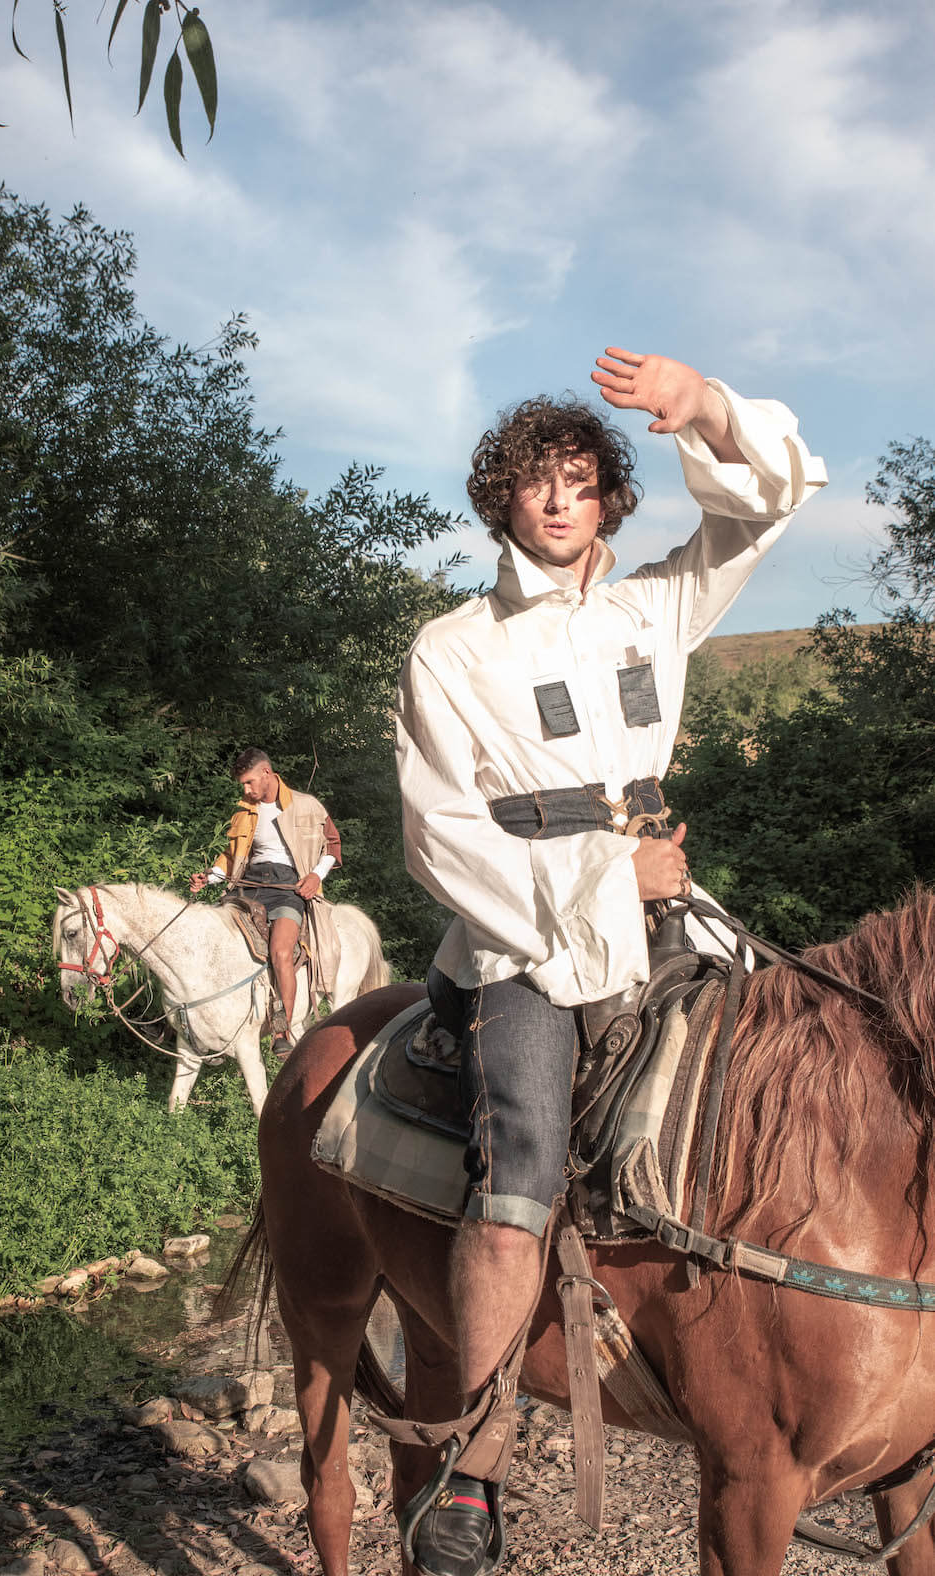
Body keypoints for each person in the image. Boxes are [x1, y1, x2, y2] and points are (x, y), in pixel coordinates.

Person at [394, 346, 826, 1576]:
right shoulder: (451, 648)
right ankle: (475, 1463)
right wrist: (600, 884)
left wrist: (708, 408)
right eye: (538, 479)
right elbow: (438, 834)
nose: (560, 497)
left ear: (609, 500)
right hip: (527, 937)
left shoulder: (652, 609)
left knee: (788, 1088)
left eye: (581, 479)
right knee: (519, 1171)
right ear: (504, 497)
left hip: (668, 913)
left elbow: (766, 504)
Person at [190, 748, 342, 1054]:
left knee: (281, 951)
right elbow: (232, 856)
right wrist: (210, 877)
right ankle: (199, 1027)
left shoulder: (306, 805)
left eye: (249, 782)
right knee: (208, 940)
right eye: (243, 785)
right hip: (248, 885)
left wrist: (315, 876)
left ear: (266, 773)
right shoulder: (244, 812)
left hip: (288, 887)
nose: (246, 790)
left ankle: (281, 1030)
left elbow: (333, 845)